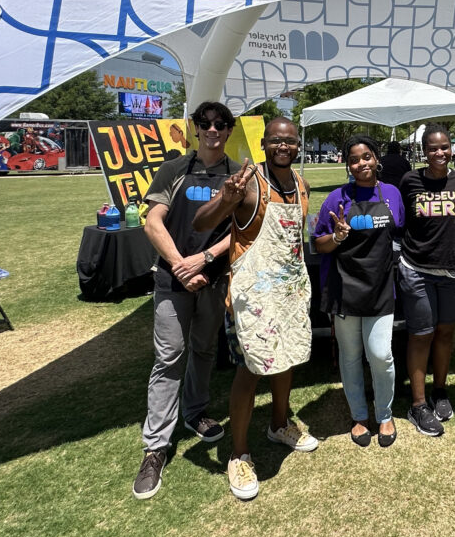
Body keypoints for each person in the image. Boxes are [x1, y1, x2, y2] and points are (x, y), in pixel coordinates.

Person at [192, 116, 318, 501]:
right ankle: (239, 454)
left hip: (290, 292)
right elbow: (201, 224)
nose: (284, 146)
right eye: (277, 141)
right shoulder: (248, 186)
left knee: (288, 358)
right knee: (251, 370)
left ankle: (279, 424)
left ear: (298, 146)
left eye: (291, 141)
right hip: (254, 298)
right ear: (263, 144)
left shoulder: (301, 184)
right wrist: (225, 200)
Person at [132, 101, 240, 500]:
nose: (212, 130)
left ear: (229, 131)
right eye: (205, 124)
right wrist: (181, 264)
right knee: (170, 356)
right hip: (173, 280)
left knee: (205, 349)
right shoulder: (173, 169)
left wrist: (206, 259)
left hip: (212, 278)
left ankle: (195, 413)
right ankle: (156, 447)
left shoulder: (237, 175)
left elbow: (242, 229)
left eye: (220, 124)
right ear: (195, 129)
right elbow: (152, 221)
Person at [397, 124, 455, 436]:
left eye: (445, 147)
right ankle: (418, 404)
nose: (440, 152)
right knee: (421, 335)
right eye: (433, 148)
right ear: (424, 151)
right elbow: (401, 221)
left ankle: (440, 391)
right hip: (417, 269)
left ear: (452, 149)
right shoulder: (410, 181)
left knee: (446, 333)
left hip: (454, 271)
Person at [314, 135, 405, 448]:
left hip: (380, 287)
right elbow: (318, 244)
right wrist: (337, 237)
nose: (361, 163)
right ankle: (359, 416)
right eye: (354, 159)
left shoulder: (392, 193)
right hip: (344, 288)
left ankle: (385, 414)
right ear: (348, 164)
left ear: (376, 159)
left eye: (367, 156)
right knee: (351, 357)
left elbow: (400, 233)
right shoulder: (335, 198)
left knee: (380, 354)